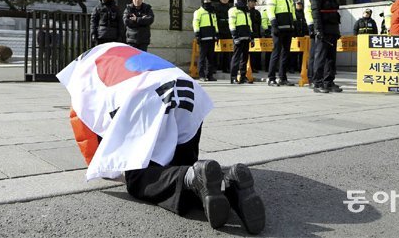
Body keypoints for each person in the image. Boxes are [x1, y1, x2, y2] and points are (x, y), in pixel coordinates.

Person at [59, 43, 265, 234]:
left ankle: (191, 178)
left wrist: (105, 165)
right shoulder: (117, 50)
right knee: (184, 165)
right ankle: (230, 184)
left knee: (139, 178)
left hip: (146, 96)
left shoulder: (81, 75)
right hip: (188, 91)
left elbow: (85, 134)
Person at [311, 0, 342, 93]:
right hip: (323, 29)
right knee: (320, 57)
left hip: (333, 29)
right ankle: (317, 83)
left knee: (331, 58)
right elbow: (316, 14)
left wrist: (337, 30)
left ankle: (329, 82)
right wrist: (318, 30)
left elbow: (335, 12)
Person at [266, 0, 296, 86]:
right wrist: (274, 25)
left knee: (285, 54)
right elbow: (270, 11)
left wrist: (294, 25)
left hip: (288, 29)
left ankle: (283, 78)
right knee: (276, 53)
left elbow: (292, 12)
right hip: (278, 29)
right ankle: (271, 78)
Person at [229, 0, 254, 84]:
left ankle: (243, 77)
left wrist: (251, 37)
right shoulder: (233, 10)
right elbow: (232, 24)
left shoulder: (246, 11)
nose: (245, 0)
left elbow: (249, 24)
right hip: (238, 37)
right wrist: (235, 36)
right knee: (236, 58)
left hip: (246, 37)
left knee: (244, 58)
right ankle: (233, 77)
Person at [193, 0, 219, 82]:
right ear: (202, 1)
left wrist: (217, 34)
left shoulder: (212, 12)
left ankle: (210, 75)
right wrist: (197, 34)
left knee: (211, 58)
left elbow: (215, 24)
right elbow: (196, 24)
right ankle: (201, 76)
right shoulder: (198, 12)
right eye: (206, 0)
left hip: (212, 38)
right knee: (202, 58)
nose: (208, 2)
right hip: (203, 38)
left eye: (209, 0)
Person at [289, 0, 308, 73]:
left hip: (302, 35)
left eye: (300, 4)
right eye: (298, 4)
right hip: (295, 36)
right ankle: (292, 67)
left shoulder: (304, 14)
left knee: (302, 53)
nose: (299, 6)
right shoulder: (293, 13)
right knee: (293, 53)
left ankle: (300, 67)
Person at [215, 0, 232, 73]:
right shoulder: (217, 7)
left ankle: (226, 67)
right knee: (217, 50)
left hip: (228, 30)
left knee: (227, 50)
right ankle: (217, 66)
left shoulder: (230, 8)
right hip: (220, 29)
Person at [304, 0, 317, 86]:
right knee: (313, 54)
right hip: (314, 27)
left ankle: (316, 77)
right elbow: (308, 12)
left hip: (320, 26)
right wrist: (311, 26)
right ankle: (311, 78)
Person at [248, 0, 262, 73]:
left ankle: (254, 67)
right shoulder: (246, 11)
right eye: (251, 2)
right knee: (248, 52)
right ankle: (248, 67)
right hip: (248, 34)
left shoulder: (257, 12)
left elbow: (259, 23)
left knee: (255, 52)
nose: (253, 3)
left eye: (254, 2)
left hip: (256, 34)